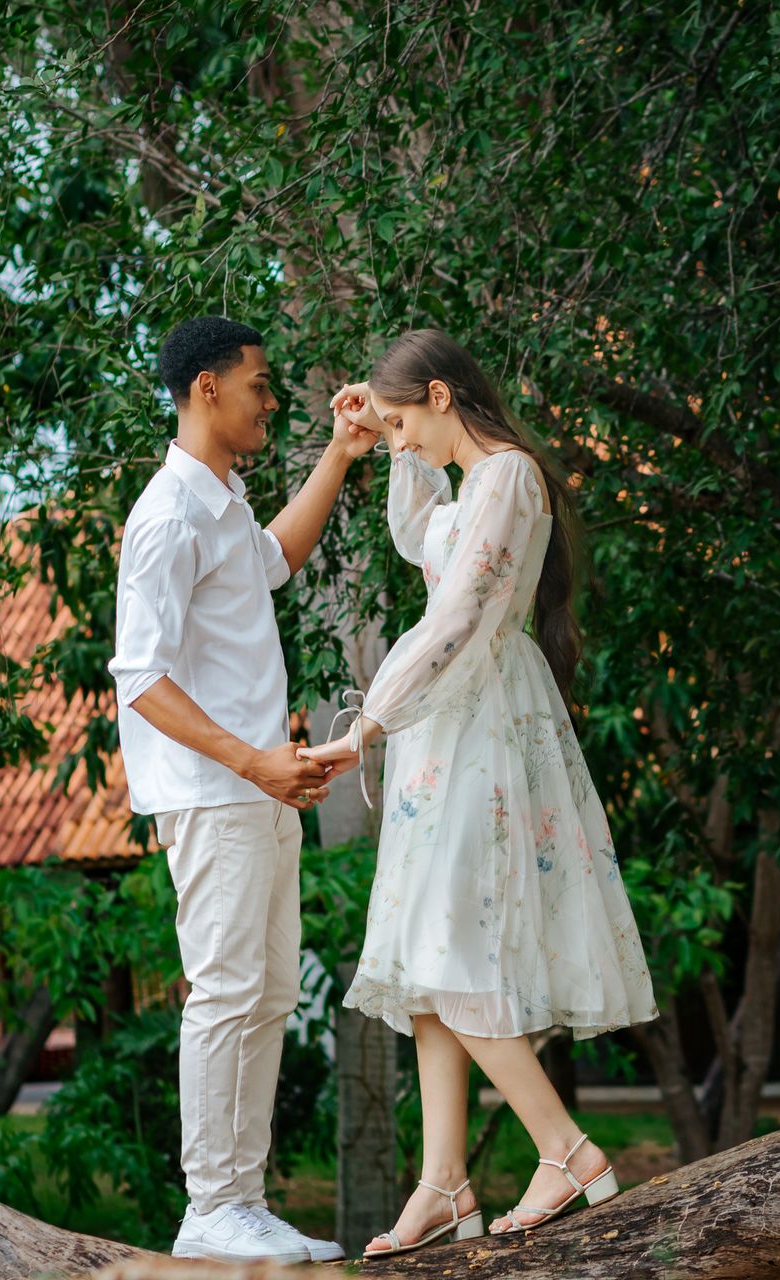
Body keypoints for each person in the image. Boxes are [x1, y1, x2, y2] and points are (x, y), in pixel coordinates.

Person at [301, 329, 659, 1257]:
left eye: (406, 421)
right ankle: (442, 1183)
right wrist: (377, 436)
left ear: (444, 396)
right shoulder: (474, 485)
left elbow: (458, 612)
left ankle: (568, 1150)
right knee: (425, 964)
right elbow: (423, 540)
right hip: (448, 725)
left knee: (452, 947)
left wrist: (369, 720)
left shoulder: (506, 477)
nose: (403, 441)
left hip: (478, 724)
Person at [108, 316, 376, 1265]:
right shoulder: (167, 515)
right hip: (218, 792)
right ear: (208, 389)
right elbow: (138, 676)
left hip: (259, 789)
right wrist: (253, 761)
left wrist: (341, 456)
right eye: (260, 385)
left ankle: (240, 1202)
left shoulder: (219, 502)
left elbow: (277, 559)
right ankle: (210, 1206)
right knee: (227, 992)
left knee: (266, 996)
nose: (272, 401)